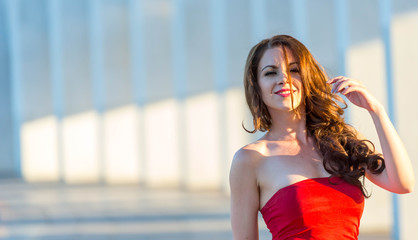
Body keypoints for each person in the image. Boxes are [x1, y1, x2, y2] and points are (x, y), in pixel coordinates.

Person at [229, 35, 415, 240]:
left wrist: (376, 111)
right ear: (256, 85)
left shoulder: (341, 140)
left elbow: (402, 183)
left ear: (308, 77)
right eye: (270, 73)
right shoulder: (250, 160)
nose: (284, 79)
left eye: (294, 70)